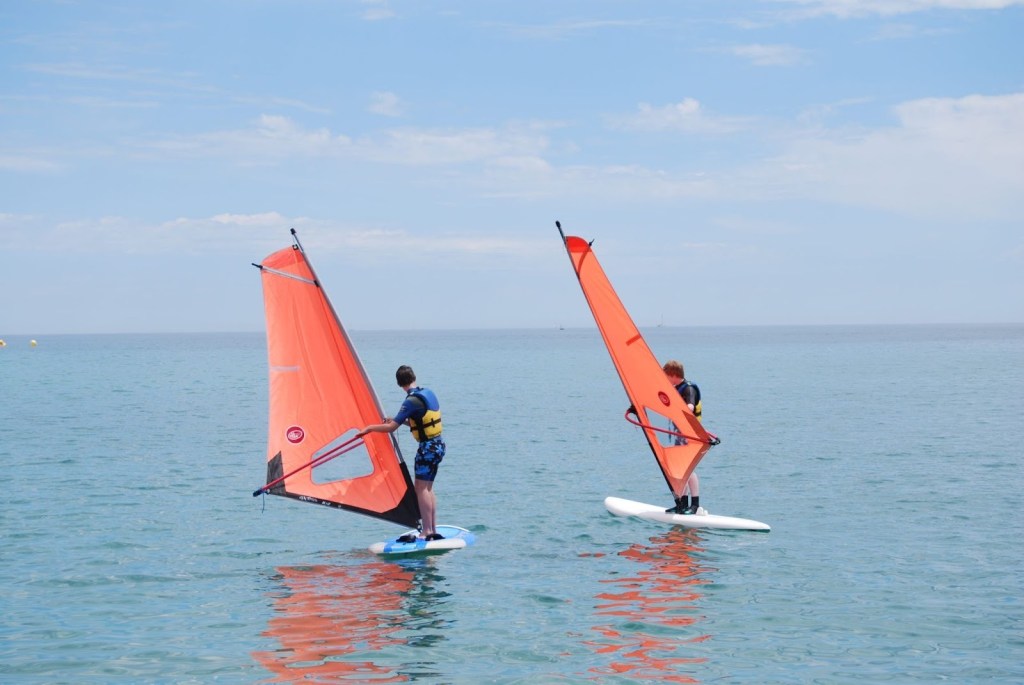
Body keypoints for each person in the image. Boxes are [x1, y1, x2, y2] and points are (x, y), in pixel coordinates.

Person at [358, 365, 446, 542]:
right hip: (439, 445)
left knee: (420, 489)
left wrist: (369, 428)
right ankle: (432, 528)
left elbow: (391, 428)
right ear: (414, 377)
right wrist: (399, 420)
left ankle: (427, 531)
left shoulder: (411, 401)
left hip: (427, 449)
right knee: (427, 488)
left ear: (399, 383)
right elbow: (421, 422)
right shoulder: (428, 393)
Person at [663, 359, 703, 515]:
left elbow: (690, 407)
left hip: (690, 434)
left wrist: (677, 413)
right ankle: (682, 504)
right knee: (680, 469)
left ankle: (695, 505)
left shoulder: (689, 389)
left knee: (687, 469)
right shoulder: (676, 389)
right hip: (679, 434)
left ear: (673, 375)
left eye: (666, 376)